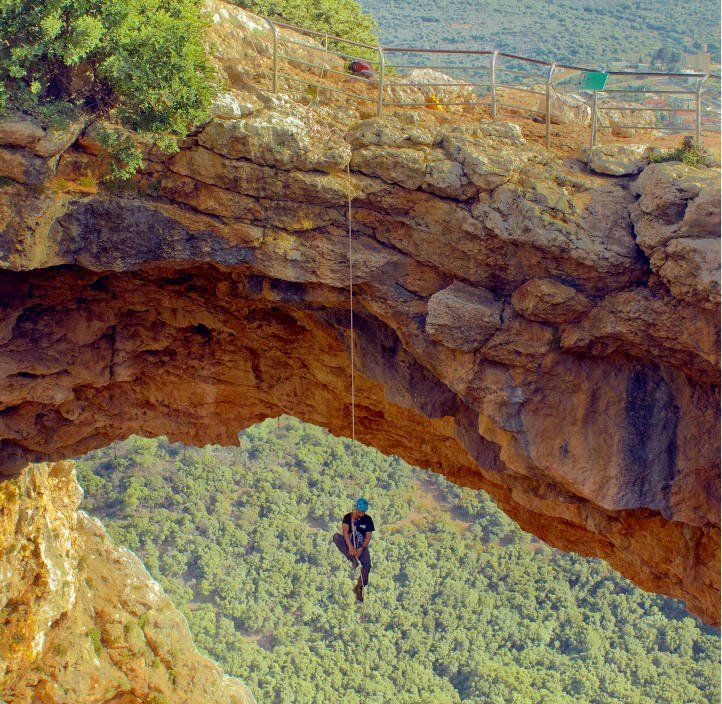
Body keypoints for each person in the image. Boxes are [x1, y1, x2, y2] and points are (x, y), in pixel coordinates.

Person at [333, 498, 374, 602]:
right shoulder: (348, 517)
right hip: (350, 542)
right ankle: (352, 558)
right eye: (360, 512)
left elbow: (368, 536)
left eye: (363, 512)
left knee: (367, 565)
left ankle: (359, 588)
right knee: (336, 537)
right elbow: (345, 532)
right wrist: (350, 547)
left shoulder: (368, 519)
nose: (361, 514)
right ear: (356, 509)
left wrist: (361, 549)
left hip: (362, 545)